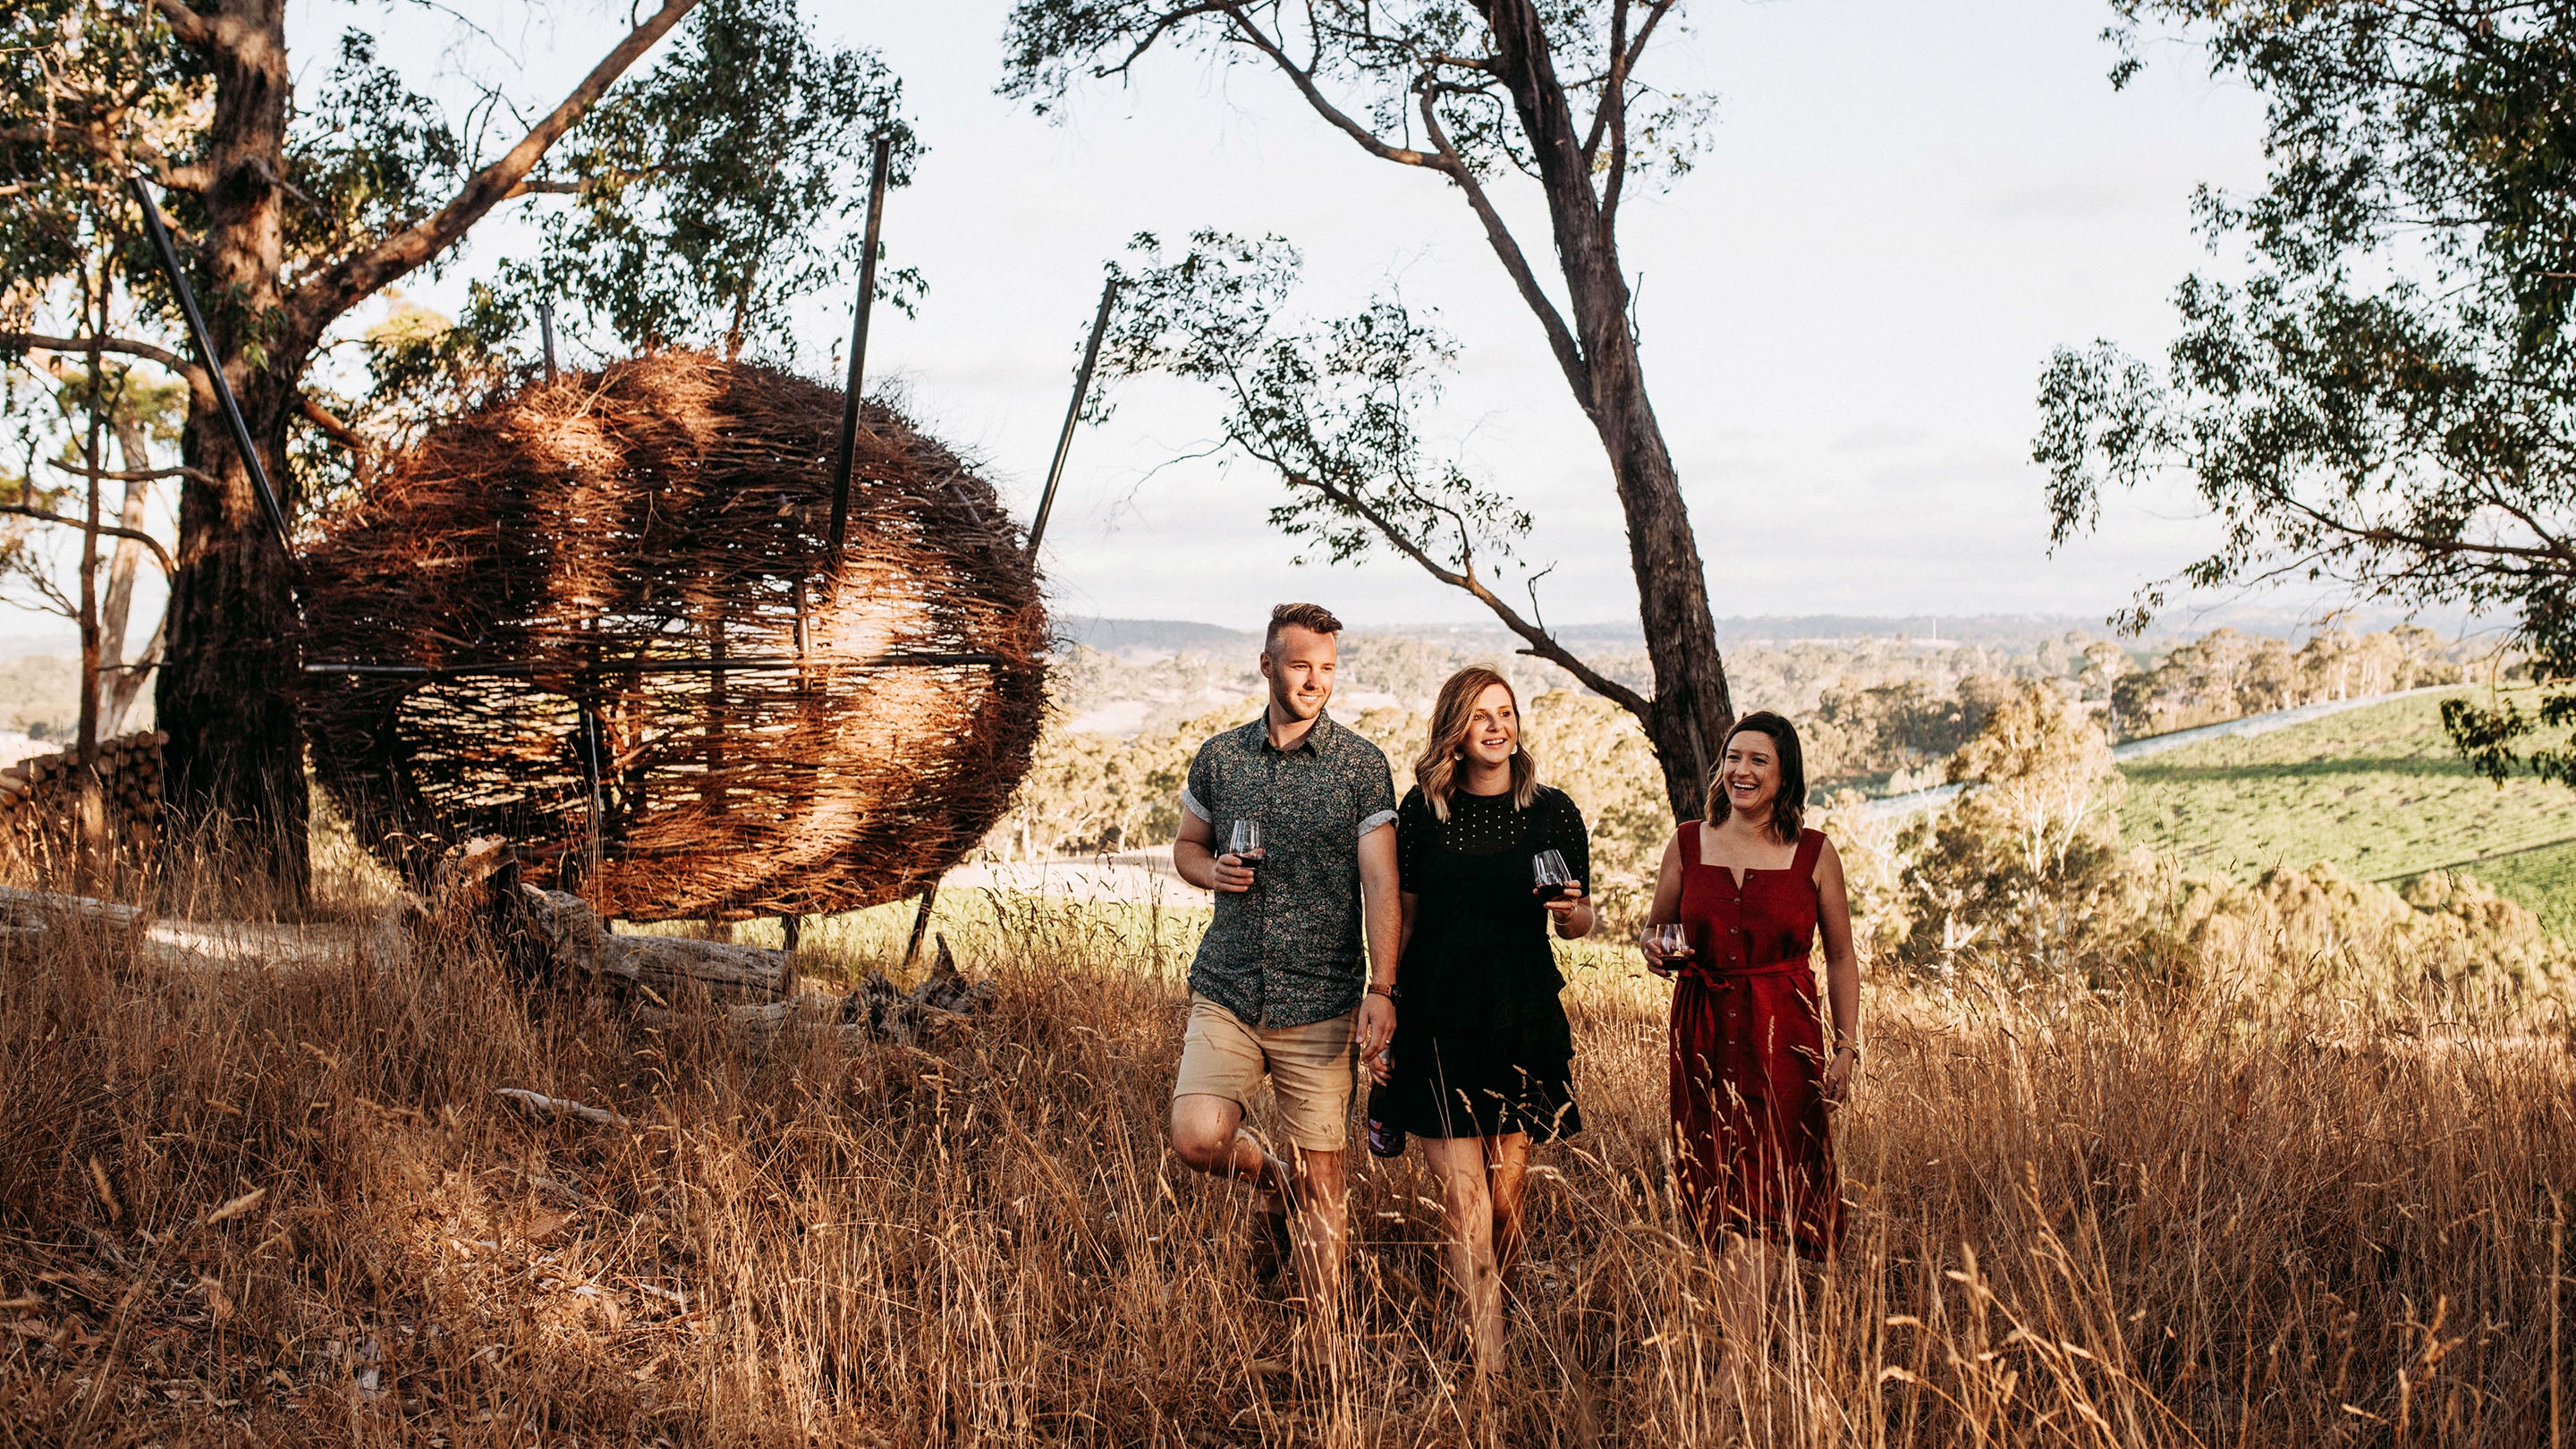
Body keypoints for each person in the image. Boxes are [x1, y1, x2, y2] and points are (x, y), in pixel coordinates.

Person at [1168, 602, 1401, 1324]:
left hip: (1321, 999)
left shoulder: (1361, 766)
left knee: (1324, 1178)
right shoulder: (1221, 757)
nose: (1315, 681)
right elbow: (1187, 847)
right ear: (1267, 665)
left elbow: (1382, 883)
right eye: (1300, 665)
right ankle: (1271, 1181)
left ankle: (1325, 1341)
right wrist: (1211, 872)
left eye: (1327, 668)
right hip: (1230, 987)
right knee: (1197, 1136)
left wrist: (1383, 987)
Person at [1374, 665, 1592, 1379]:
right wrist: (1383, 999)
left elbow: (1579, 921)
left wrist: (1573, 913)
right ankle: (1491, 1373)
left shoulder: (1553, 812)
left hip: (1519, 1017)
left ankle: (1489, 1305)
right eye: (1480, 715)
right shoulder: (1422, 810)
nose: (1497, 726)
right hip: (1437, 1015)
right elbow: (1402, 917)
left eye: (1505, 712)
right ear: (1455, 731)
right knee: (1465, 1204)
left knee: (1504, 1203)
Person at [1639, 709, 1860, 1400]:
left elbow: (1842, 957)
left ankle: (1737, 1367)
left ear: (1784, 775)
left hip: (1783, 1038)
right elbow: (1656, 932)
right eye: (1733, 757)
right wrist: (1655, 951)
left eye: (1758, 760)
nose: (1741, 770)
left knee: (1764, 1196)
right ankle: (1749, 1344)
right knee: (1717, 1190)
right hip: (1703, 1034)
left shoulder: (1815, 853)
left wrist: (1846, 1046)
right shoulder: (1688, 842)